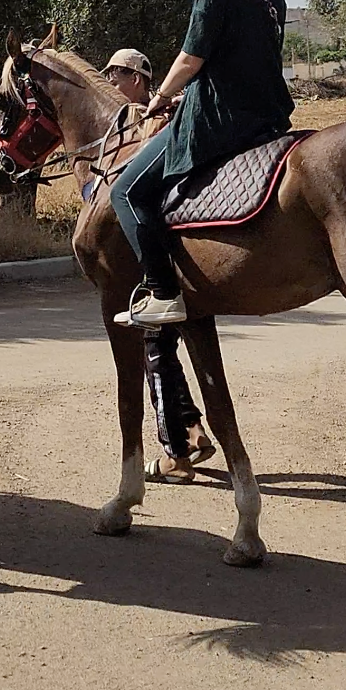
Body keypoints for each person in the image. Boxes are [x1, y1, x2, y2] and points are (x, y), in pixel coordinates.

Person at [109, 0, 293, 328]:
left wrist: (162, 97)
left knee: (127, 192)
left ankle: (162, 292)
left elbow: (193, 56)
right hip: (268, 118)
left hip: (219, 119)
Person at [106, 48, 216, 481]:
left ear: (137, 77)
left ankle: (177, 452)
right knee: (161, 350)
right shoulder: (135, 118)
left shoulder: (155, 118)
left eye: (117, 75)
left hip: (162, 253)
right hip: (157, 247)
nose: (112, 83)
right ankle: (191, 432)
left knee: (155, 348)